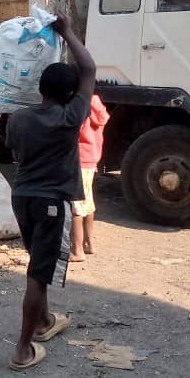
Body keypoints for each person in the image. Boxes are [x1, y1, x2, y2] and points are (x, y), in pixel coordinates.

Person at [4, 11, 96, 371]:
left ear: (40, 88)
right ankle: (22, 349)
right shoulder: (70, 117)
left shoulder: (19, 118)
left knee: (35, 263)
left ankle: (43, 322)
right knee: (38, 276)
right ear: (70, 94)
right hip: (50, 204)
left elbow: (15, 152)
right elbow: (89, 69)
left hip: (22, 197)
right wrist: (69, 33)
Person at [69, 95, 109, 261]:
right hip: (91, 158)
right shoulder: (95, 101)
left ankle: (77, 250)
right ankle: (88, 243)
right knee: (87, 201)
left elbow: (72, 132)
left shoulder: (78, 104)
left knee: (76, 205)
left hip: (78, 158)